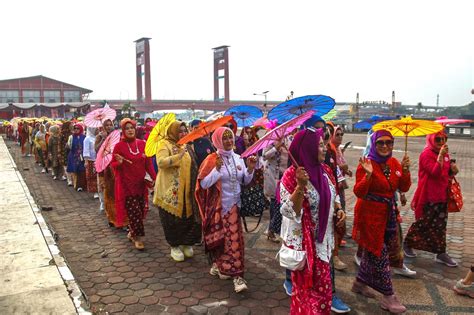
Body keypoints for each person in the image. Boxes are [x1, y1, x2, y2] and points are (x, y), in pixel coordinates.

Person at [280, 128, 345, 315]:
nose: (324, 148)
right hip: (306, 247)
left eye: (324, 144)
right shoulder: (292, 175)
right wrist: (300, 186)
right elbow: (288, 211)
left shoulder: (325, 171)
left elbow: (335, 197)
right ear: (307, 148)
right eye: (320, 145)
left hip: (324, 243)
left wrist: (339, 210)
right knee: (309, 296)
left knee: (323, 295)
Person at [352, 130, 411, 314]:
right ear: (374, 145)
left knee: (372, 251)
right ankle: (388, 296)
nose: (385, 146)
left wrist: (406, 171)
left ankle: (359, 283)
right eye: (381, 143)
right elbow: (358, 192)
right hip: (369, 216)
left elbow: (403, 187)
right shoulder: (366, 163)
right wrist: (368, 175)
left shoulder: (393, 163)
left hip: (388, 215)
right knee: (380, 254)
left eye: (389, 143)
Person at [196, 127, 256, 293]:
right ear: (217, 142)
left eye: (231, 138)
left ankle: (237, 275)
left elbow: (244, 180)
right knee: (223, 241)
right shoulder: (212, 159)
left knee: (234, 242)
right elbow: (203, 184)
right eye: (225, 139)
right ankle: (222, 266)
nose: (229, 141)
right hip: (219, 208)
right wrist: (216, 169)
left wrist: (250, 169)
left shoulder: (238, 158)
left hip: (236, 207)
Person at [403, 131, 459, 267]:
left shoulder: (445, 153)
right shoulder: (426, 154)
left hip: (442, 195)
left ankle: (440, 253)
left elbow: (445, 174)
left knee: (440, 226)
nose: (441, 142)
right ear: (431, 140)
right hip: (428, 195)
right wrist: (440, 156)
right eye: (438, 139)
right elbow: (434, 173)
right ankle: (407, 244)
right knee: (423, 223)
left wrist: (453, 171)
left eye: (444, 139)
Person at [153, 121, 201, 261]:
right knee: (171, 220)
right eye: (180, 131)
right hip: (169, 192)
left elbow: (195, 164)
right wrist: (178, 157)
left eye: (185, 131)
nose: (183, 134)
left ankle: (186, 243)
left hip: (187, 191)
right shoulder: (165, 144)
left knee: (188, 218)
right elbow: (160, 162)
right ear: (173, 132)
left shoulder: (186, 145)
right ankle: (174, 246)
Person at [112, 119, 156, 249]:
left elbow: (148, 164)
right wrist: (118, 163)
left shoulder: (143, 144)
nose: (130, 130)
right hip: (126, 186)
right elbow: (113, 165)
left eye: (132, 128)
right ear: (123, 131)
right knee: (134, 212)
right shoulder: (118, 146)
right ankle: (137, 238)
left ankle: (132, 232)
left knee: (141, 212)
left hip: (141, 185)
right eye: (127, 128)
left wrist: (155, 178)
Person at [95, 119, 118, 225]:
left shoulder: (115, 136)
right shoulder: (100, 136)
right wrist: (104, 139)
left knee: (116, 191)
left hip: (115, 166)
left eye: (110, 125)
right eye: (107, 125)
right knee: (108, 191)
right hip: (105, 167)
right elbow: (96, 149)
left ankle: (117, 215)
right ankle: (110, 216)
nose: (109, 127)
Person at [66, 124, 86, 191]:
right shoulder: (71, 137)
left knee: (82, 170)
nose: (76, 130)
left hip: (81, 156)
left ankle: (81, 185)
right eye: (75, 128)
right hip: (73, 156)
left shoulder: (84, 137)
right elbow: (68, 146)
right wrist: (68, 145)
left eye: (78, 128)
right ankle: (76, 185)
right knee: (75, 171)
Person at [83, 127, 99, 199]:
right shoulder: (87, 139)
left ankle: (99, 190)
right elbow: (86, 151)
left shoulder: (99, 137)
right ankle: (95, 191)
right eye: (96, 129)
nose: (98, 130)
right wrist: (86, 161)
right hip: (91, 160)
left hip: (99, 159)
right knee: (92, 176)